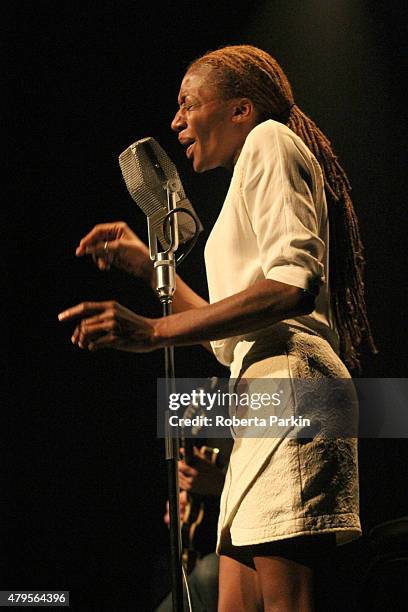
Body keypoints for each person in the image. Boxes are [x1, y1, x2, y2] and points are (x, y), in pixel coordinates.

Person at [58, 45, 376, 610]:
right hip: (260, 395)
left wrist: (153, 332)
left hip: (293, 386)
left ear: (240, 109)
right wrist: (149, 266)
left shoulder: (269, 141)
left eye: (188, 104)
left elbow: (293, 282)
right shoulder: (246, 174)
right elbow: (226, 338)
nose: (176, 120)